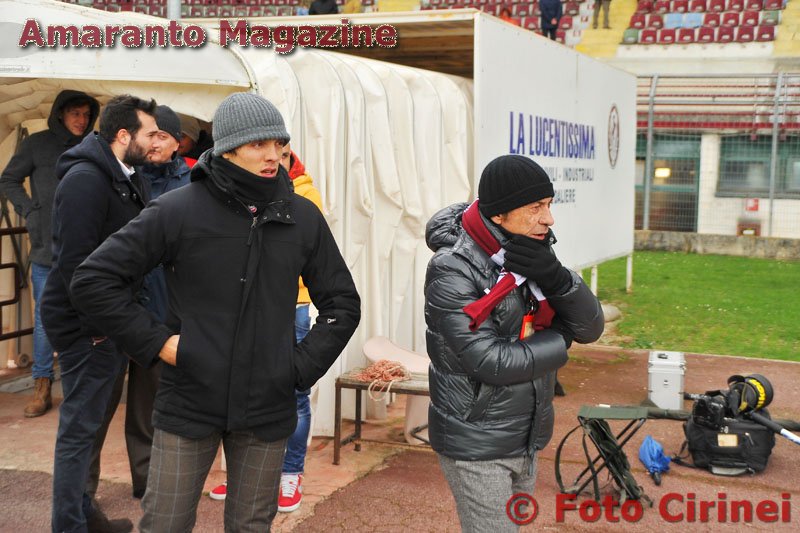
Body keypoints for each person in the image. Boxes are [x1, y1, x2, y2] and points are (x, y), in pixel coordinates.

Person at [69, 92, 361, 532]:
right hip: (189, 399)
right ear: (227, 149)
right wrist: (157, 344)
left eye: (277, 144)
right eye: (258, 144)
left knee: (250, 526)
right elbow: (93, 280)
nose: (273, 155)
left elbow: (342, 305)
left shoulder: (301, 216)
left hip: (267, 406)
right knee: (165, 523)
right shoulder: (178, 209)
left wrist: (297, 368)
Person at [424, 155, 604, 532]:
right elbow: (491, 361)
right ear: (500, 215)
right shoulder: (451, 267)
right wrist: (560, 340)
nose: (549, 218)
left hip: (526, 434)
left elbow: (590, 328)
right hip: (477, 440)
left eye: (550, 205)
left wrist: (557, 278)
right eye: (536, 207)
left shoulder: (530, 251)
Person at [41, 94, 158, 533]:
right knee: (78, 431)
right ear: (123, 135)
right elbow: (75, 265)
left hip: (109, 320)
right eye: (148, 134)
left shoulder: (126, 176)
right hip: (86, 324)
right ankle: (69, 525)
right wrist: (95, 329)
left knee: (87, 428)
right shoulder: (87, 180)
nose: (154, 142)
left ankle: (84, 515)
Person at [85, 104, 194, 503]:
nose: (155, 142)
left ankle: (147, 484)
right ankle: (83, 494)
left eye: (163, 135)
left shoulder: (192, 181)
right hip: (118, 311)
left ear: (178, 141)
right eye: (151, 134)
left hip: (162, 313)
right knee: (98, 406)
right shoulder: (122, 178)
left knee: (150, 408)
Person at [209, 143, 323, 513]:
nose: (274, 158)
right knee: (241, 387)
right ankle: (244, 472)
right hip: (245, 306)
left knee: (294, 391)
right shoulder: (234, 195)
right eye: (266, 149)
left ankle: (291, 473)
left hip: (294, 305)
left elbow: (310, 256)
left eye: (283, 152)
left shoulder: (305, 195)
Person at [0, 89, 99, 418]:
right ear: (60, 114)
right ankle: (42, 384)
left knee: (88, 316)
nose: (81, 121)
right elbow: (9, 179)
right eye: (75, 114)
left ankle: (80, 386)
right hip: (47, 248)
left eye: (86, 114)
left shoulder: (94, 146)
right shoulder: (37, 144)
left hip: (88, 249)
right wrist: (30, 211)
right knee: (45, 319)